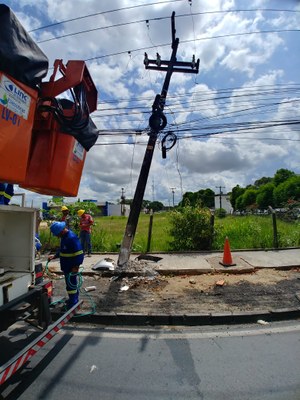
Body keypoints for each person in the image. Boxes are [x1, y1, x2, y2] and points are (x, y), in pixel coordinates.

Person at [48, 221, 84, 309]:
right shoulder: (65, 237)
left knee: (71, 285)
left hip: (71, 266)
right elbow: (63, 250)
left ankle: (73, 302)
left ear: (61, 231)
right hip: (67, 266)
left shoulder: (71, 238)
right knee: (70, 284)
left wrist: (76, 266)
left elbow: (79, 253)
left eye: (57, 234)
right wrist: (55, 256)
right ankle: (73, 299)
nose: (57, 236)